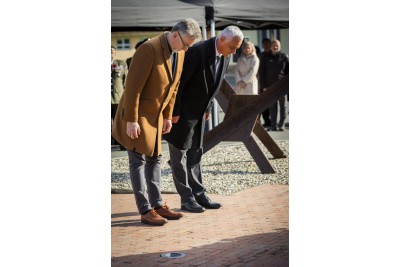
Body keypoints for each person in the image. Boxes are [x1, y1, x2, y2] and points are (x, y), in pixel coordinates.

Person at [112, 18, 202, 226]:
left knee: (155, 158)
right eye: (186, 43)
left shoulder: (179, 53)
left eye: (190, 45)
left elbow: (174, 87)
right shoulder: (148, 49)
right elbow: (132, 89)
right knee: (138, 161)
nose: (187, 49)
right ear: (175, 35)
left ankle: (158, 204)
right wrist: (131, 121)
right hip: (137, 116)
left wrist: (168, 116)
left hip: (156, 117)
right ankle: (145, 209)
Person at [163, 26, 244, 213]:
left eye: (236, 48)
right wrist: (173, 112)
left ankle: (199, 194)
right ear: (222, 39)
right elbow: (179, 83)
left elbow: (213, 85)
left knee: (195, 155)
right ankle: (186, 199)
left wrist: (207, 108)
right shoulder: (197, 51)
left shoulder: (226, 54)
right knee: (179, 157)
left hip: (199, 114)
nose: (234, 51)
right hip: (181, 114)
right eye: (232, 47)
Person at [258, 39, 289, 131]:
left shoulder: (284, 57)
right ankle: (273, 125)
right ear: (271, 46)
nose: (275, 47)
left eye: (277, 45)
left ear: (280, 46)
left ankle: (281, 125)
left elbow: (289, 72)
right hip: (270, 87)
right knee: (272, 107)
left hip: (282, 87)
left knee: (283, 107)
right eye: (274, 45)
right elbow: (261, 72)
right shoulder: (265, 57)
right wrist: (263, 86)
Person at [111, 46, 128, 150]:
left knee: (120, 122)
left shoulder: (121, 64)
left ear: (115, 53)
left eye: (112, 51)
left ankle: (122, 143)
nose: (110, 53)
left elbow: (126, 81)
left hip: (118, 98)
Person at [258, 38, 272, 128]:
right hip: (263, 83)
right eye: (264, 44)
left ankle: (273, 121)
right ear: (262, 45)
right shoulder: (261, 55)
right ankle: (267, 121)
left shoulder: (274, 54)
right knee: (263, 104)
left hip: (272, 82)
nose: (266, 45)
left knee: (273, 104)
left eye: (267, 43)